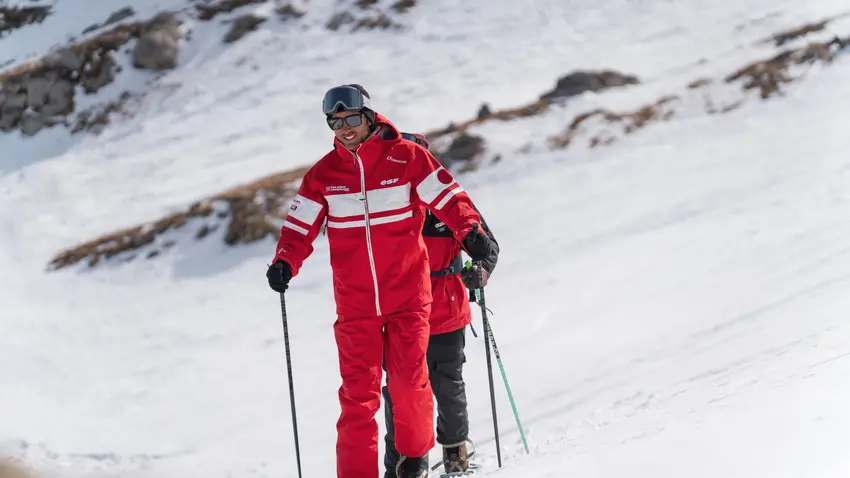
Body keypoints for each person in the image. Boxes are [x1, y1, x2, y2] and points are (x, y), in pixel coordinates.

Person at [266, 84, 497, 478]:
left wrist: (470, 233)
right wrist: (285, 261)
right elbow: (298, 228)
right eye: (335, 122)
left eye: (351, 119)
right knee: (358, 399)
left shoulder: (406, 158)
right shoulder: (324, 175)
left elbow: (449, 197)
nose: (344, 129)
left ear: (369, 116)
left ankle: (413, 460)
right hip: (355, 305)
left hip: (408, 295)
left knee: (409, 385)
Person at [381, 133, 500, 478]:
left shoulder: (448, 199)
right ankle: (402, 465)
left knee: (447, 384)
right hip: (401, 315)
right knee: (400, 394)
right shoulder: (383, 203)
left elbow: (487, 246)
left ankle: (455, 457)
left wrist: (479, 272)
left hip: (445, 309)